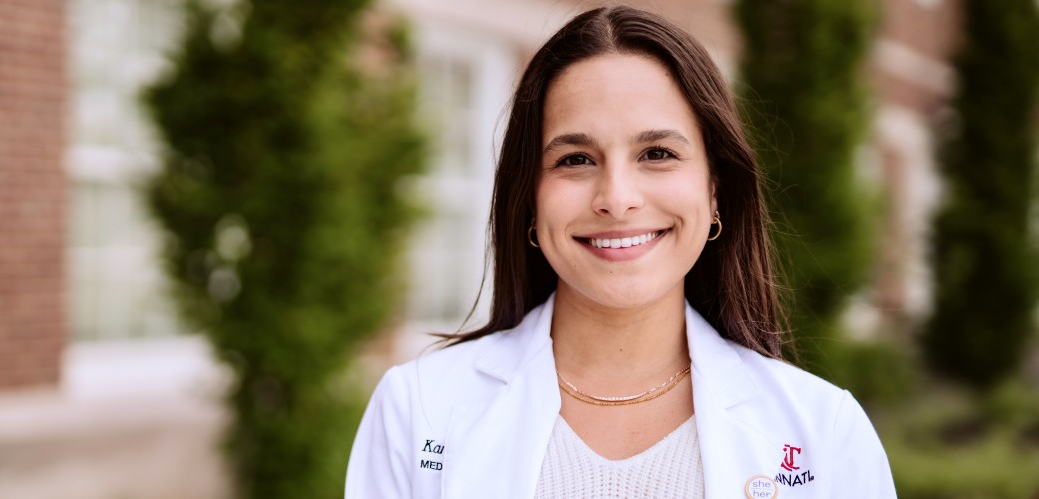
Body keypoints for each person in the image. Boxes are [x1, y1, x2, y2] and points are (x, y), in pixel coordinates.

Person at [345, 5, 896, 499]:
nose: (616, 199)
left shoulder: (823, 432)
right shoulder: (417, 410)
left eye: (657, 153)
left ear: (714, 189)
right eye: (575, 159)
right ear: (529, 201)